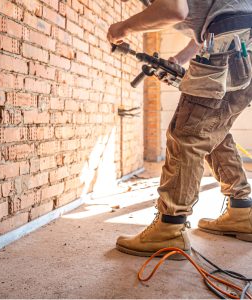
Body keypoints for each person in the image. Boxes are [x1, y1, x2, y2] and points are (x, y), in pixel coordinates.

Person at [107, 0, 252, 258]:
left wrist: (123, 28)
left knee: (186, 135)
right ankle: (241, 211)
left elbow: (173, 10)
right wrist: (178, 60)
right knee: (212, 128)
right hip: (239, 39)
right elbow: (208, 23)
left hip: (231, 39)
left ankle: (168, 229)